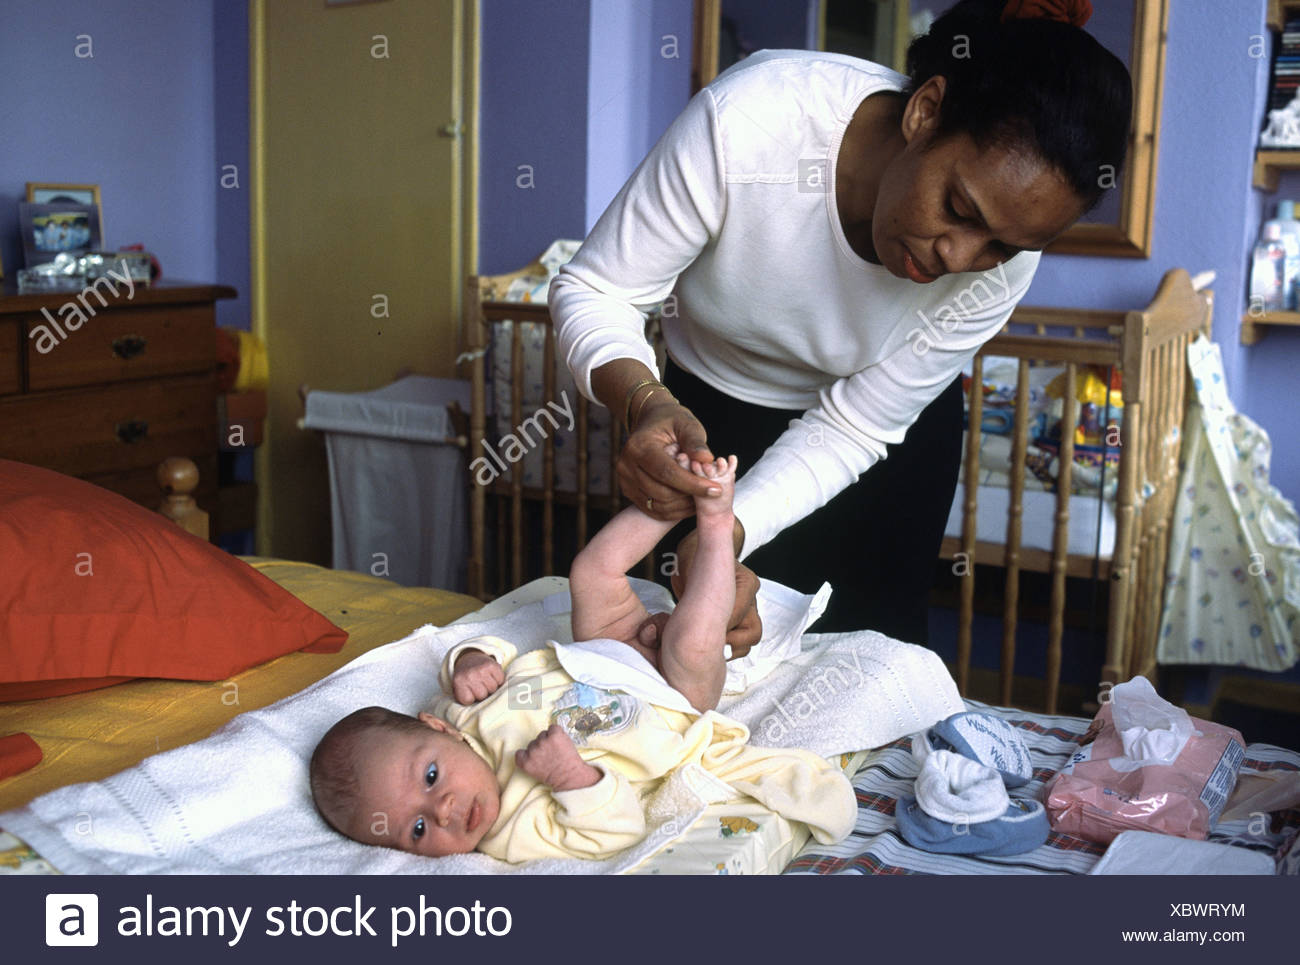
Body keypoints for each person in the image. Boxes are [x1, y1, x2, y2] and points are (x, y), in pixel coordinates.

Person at [548, 0, 1130, 648]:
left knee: (865, 657)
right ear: (925, 111)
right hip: (706, 419)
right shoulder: (753, 123)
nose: (960, 259)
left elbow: (857, 424)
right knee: (683, 647)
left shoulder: (1004, 264)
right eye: (958, 208)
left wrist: (732, 528)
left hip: (882, 453)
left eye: (1001, 246)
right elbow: (598, 289)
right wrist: (644, 402)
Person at [308, 453, 854, 862]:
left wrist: (471, 658)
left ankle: (670, 497)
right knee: (692, 638)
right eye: (418, 831)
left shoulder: (462, 711)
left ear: (436, 729)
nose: (445, 809)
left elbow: (490, 654)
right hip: (665, 698)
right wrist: (573, 779)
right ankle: (714, 525)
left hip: (596, 650)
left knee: (590, 572)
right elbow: (612, 833)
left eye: (430, 776)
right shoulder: (512, 831)